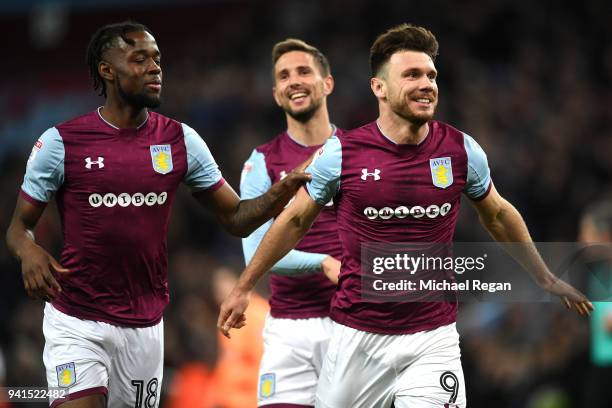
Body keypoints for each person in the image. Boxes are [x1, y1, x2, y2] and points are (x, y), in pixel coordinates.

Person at [218, 23, 593, 408]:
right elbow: (295, 221)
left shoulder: (461, 150)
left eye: (431, 75)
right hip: (356, 339)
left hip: (433, 338)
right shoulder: (342, 153)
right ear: (379, 88)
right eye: (412, 75)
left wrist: (544, 276)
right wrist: (244, 286)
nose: (426, 83)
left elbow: (497, 214)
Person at [5, 21, 309, 408]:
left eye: (157, 59)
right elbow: (18, 229)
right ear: (107, 69)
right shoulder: (60, 143)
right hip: (77, 321)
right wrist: (29, 252)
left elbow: (236, 218)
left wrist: (281, 192)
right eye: (139, 59)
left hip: (144, 327)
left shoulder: (181, 141)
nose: (154, 67)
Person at [240, 39, 342, 407]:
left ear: (327, 83)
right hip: (288, 329)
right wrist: (322, 262)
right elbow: (255, 252)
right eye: (284, 76)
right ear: (276, 94)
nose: (293, 81)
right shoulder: (262, 162)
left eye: (303, 71)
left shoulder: (359, 153)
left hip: (352, 324)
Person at [578, 200, 612, 407]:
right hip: (601, 368)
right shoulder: (597, 274)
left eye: (587, 233)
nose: (581, 241)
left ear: (605, 236)